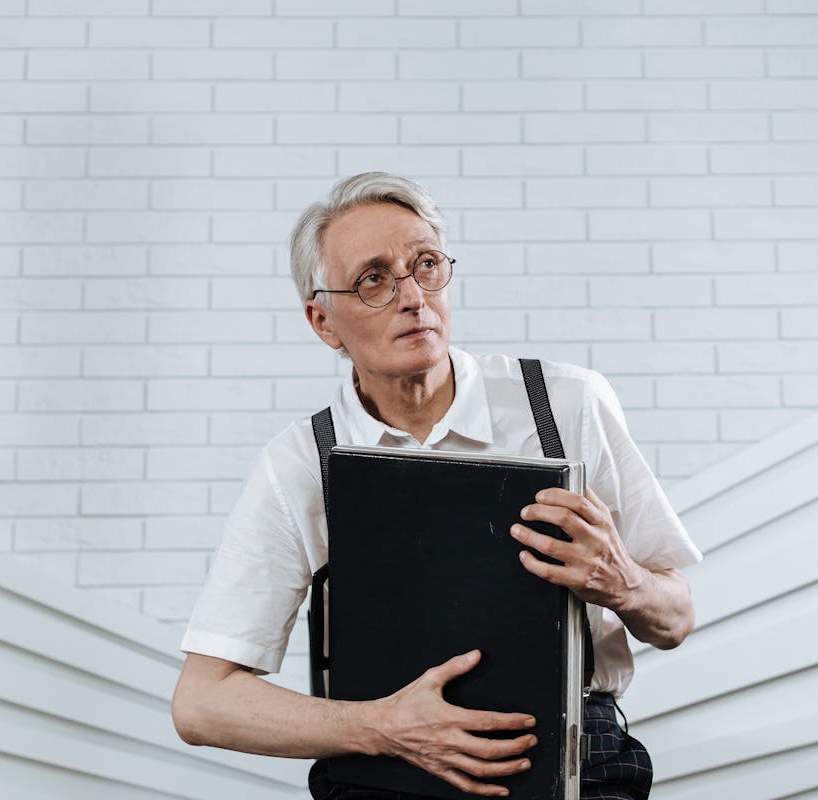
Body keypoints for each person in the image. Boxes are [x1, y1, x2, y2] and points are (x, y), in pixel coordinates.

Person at [171, 172, 702, 800]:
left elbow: (675, 619)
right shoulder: (301, 464)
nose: (413, 296)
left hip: (578, 771)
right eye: (373, 279)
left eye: (425, 264)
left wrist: (623, 580)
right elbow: (202, 704)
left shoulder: (564, 404)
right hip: (384, 779)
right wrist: (379, 727)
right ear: (323, 321)